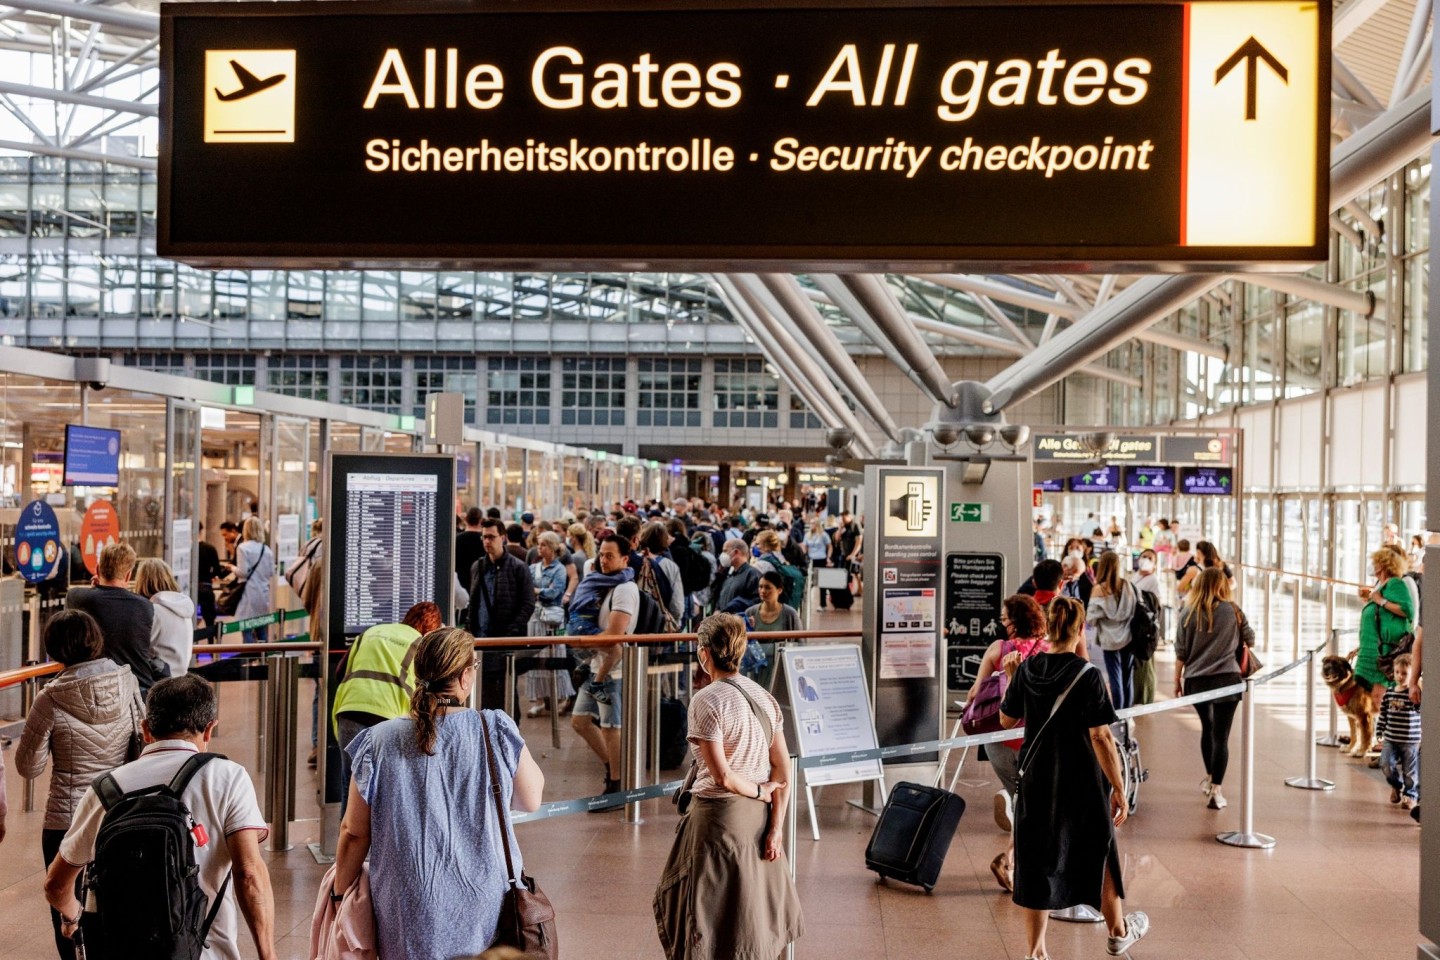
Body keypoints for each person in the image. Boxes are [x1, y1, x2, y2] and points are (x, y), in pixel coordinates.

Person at [332, 627, 544, 958]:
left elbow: (354, 832)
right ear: (464, 677)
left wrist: (339, 892)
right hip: (486, 897)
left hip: (406, 900)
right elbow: (531, 800)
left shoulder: (378, 741)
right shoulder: (494, 728)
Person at [44, 674, 276, 960]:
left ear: (145, 729)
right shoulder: (227, 777)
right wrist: (268, 954)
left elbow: (56, 884)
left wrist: (72, 918)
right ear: (209, 729)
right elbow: (249, 873)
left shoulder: (105, 789)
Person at [998, 597, 1149, 960]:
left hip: (1037, 780)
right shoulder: (1087, 674)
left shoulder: (1029, 669)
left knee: (1037, 859)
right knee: (1099, 850)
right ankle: (1118, 932)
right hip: (1081, 783)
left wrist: (1012, 678)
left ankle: (1036, 951)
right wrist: (1118, 786)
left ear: (1049, 628)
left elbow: (1007, 720)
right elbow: (1101, 738)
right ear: (1081, 629)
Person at [654, 613, 803, 960]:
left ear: (704, 652)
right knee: (753, 916)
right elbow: (782, 769)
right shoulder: (763, 696)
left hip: (718, 821)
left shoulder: (707, 700)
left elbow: (722, 776)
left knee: (707, 916)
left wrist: (757, 791)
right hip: (759, 821)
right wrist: (776, 828)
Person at [18, 610, 144, 960]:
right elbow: (141, 742)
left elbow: (29, 767)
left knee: (66, 905)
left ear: (55, 647)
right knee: (115, 900)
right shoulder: (128, 682)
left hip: (67, 817)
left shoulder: (50, 698)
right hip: (120, 810)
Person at [965, 594, 1063, 895]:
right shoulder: (1050, 650)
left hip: (998, 739)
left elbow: (974, 694)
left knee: (1023, 801)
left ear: (1016, 620)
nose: (1002, 621)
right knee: (1035, 806)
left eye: (1006, 616)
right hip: (1034, 741)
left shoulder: (997, 649)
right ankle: (1010, 861)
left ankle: (1014, 861)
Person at [332, 601, 444, 813]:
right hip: (389, 718)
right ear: (432, 630)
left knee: (352, 784)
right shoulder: (421, 643)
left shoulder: (371, 632)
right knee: (387, 789)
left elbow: (340, 672)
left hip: (349, 711)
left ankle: (347, 843)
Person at [1173, 567, 1253, 811]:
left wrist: (1177, 680)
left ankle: (1209, 778)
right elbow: (1250, 639)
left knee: (1207, 728)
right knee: (1221, 736)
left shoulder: (1188, 612)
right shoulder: (1234, 611)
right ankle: (1216, 790)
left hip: (1197, 681)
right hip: (1227, 680)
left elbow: (1181, 651)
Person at [569, 535, 639, 797]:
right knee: (580, 721)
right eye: (601, 555)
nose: (604, 560)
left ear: (624, 559)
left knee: (611, 726)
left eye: (610, 555)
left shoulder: (624, 589)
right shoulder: (603, 585)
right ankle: (612, 767)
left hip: (613, 670)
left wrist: (582, 642)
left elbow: (615, 635)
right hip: (596, 665)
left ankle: (617, 785)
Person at [65, 542, 165, 695]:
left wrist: (94, 590)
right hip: (136, 692)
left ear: (97, 570)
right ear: (128, 575)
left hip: (91, 691)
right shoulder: (147, 607)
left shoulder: (76, 597)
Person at [466, 517, 537, 711]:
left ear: (503, 538)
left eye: (491, 537)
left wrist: (512, 633)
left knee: (506, 691)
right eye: (484, 537)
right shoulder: (477, 567)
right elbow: (473, 603)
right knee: (485, 692)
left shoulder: (518, 568)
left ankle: (509, 734)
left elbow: (528, 603)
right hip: (481, 642)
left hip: (505, 642)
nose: (487, 541)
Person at [1356, 547, 1416, 726]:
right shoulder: (1381, 586)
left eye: (1376, 562)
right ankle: (1380, 735)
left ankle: (1387, 737)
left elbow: (1408, 610)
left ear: (1384, 565)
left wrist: (1380, 601)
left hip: (1383, 651)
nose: (1373, 565)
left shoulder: (1395, 584)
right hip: (1371, 649)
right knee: (1374, 694)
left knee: (1380, 694)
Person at [525, 532, 575, 717]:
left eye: (544, 545)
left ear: (553, 547)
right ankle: (538, 699)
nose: (540, 548)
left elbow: (555, 593)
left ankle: (561, 697)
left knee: (556, 655)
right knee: (536, 657)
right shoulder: (533, 567)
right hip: (536, 617)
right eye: (539, 544)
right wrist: (540, 591)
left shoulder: (559, 569)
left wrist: (538, 590)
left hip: (553, 618)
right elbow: (528, 589)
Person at [1088, 552, 1138, 709]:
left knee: (1115, 678)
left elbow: (1090, 618)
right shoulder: (1127, 586)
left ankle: (1119, 713)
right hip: (1128, 637)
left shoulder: (1098, 590)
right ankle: (1127, 714)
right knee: (1127, 678)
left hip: (1108, 640)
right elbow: (1134, 610)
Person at [133, 558, 195, 679]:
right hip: (180, 677)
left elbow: (139, 647)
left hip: (159, 681)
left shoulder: (155, 611)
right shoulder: (183, 607)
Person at [1377, 652, 1422, 811]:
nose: (1400, 676)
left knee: (1410, 771)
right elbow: (1383, 714)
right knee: (1385, 765)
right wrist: (1379, 731)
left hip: (1410, 740)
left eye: (1405, 673)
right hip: (1391, 738)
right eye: (1397, 672)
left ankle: (1411, 796)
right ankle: (1397, 786)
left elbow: (1420, 711)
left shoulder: (1414, 694)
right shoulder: (1389, 693)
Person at [230, 516, 276, 643]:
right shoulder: (267, 550)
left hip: (248, 595)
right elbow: (272, 572)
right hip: (264, 595)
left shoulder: (243, 548)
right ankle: (262, 660)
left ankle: (248, 660)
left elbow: (243, 572)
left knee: (247, 631)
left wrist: (232, 568)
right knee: (262, 632)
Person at [712, 539, 761, 614]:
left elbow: (756, 601)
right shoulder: (730, 575)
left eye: (725, 551)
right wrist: (718, 609)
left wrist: (735, 606)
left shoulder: (752, 574)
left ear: (736, 552)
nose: (722, 555)